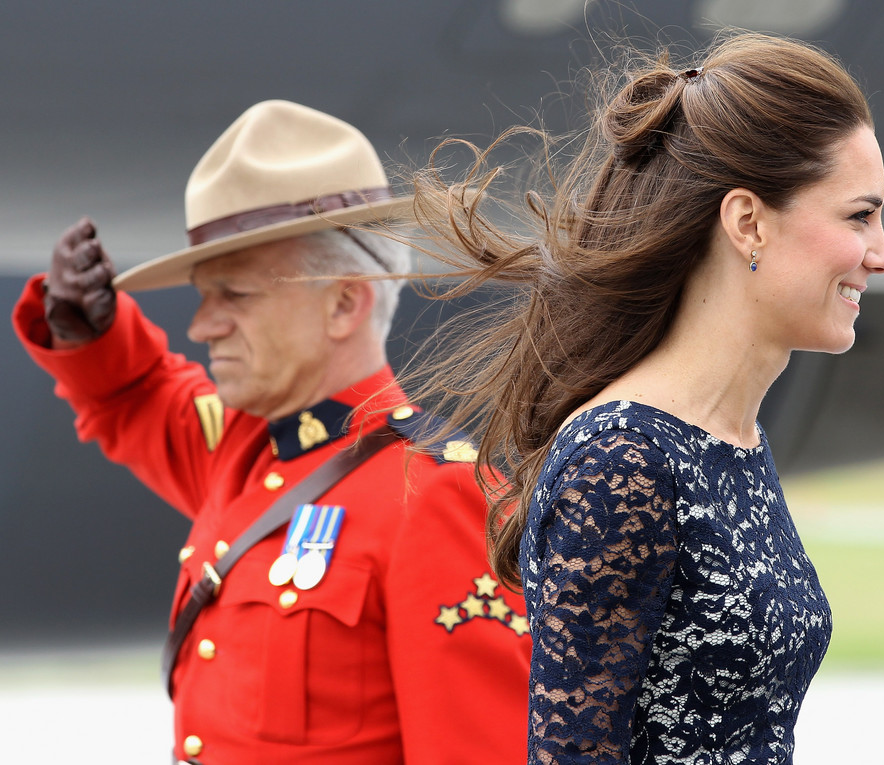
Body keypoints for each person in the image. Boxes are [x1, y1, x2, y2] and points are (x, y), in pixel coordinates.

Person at [400, 31, 884, 763]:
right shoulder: (623, 461)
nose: (882, 254)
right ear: (748, 222)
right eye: (859, 216)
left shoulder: (729, 437)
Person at [12, 100, 531, 764]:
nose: (201, 325)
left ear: (345, 301)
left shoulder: (437, 495)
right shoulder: (245, 450)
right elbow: (134, 396)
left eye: (237, 295)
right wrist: (90, 331)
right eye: (204, 294)